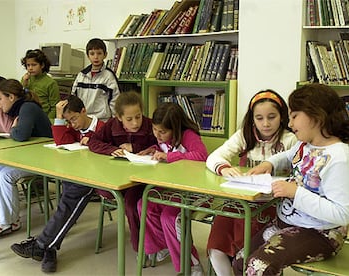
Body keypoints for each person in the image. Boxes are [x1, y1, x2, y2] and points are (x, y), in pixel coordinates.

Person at [232, 83, 349, 275]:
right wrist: (269, 164)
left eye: (294, 116)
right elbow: (287, 156)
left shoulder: (339, 157)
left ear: (317, 116)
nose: (291, 124)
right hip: (288, 223)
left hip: (321, 233)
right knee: (240, 261)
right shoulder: (305, 145)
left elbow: (343, 214)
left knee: (259, 267)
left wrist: (295, 193)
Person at [206, 89, 297, 276]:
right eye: (259, 118)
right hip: (240, 200)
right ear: (252, 119)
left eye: (272, 117)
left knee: (249, 251)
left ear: (282, 116)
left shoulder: (290, 140)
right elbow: (213, 157)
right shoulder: (244, 135)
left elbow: (299, 173)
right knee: (217, 241)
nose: (265, 124)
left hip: (272, 205)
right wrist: (223, 167)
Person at [10, 95, 105, 273]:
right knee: (69, 196)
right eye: (68, 120)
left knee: (71, 197)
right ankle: (48, 248)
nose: (73, 124)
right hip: (76, 174)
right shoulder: (72, 128)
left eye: (74, 118)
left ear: (84, 111)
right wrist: (59, 116)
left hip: (95, 178)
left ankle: (41, 244)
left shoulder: (101, 127)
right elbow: (62, 142)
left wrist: (92, 142)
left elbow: (104, 149)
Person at [136, 102, 209, 274]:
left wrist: (169, 157)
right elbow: (163, 148)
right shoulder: (163, 138)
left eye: (162, 132)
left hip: (192, 191)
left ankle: (192, 264)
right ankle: (164, 245)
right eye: (155, 130)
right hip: (170, 188)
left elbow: (201, 156)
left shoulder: (188, 135)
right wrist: (151, 150)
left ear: (175, 129)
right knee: (143, 205)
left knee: (170, 218)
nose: (158, 135)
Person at [0, 79, 52, 238]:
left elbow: (20, 135)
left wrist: (14, 129)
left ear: (11, 97)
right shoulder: (19, 109)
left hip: (43, 160)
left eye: (0, 98)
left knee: (6, 175)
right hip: (29, 156)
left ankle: (9, 222)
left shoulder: (27, 107)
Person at [88, 91, 157, 252]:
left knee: (131, 205)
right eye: (129, 119)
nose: (135, 123)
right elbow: (94, 142)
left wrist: (136, 148)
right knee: (111, 194)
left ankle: (139, 245)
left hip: (141, 178)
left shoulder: (149, 125)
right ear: (119, 117)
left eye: (138, 116)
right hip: (117, 176)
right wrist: (111, 149)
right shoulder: (112, 125)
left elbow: (159, 145)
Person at [72, 38, 120, 122]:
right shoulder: (81, 75)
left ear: (105, 55)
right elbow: (74, 97)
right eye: (92, 54)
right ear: (88, 56)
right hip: (84, 119)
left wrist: (115, 121)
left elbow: (115, 100)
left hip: (102, 120)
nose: (96, 57)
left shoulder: (109, 76)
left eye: (99, 53)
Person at [21, 48, 60, 121]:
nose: (30, 68)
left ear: (42, 65)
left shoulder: (50, 83)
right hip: (27, 117)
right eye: (28, 65)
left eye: (34, 65)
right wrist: (24, 84)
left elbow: (55, 107)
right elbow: (19, 99)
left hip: (44, 118)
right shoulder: (25, 79)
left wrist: (47, 121)